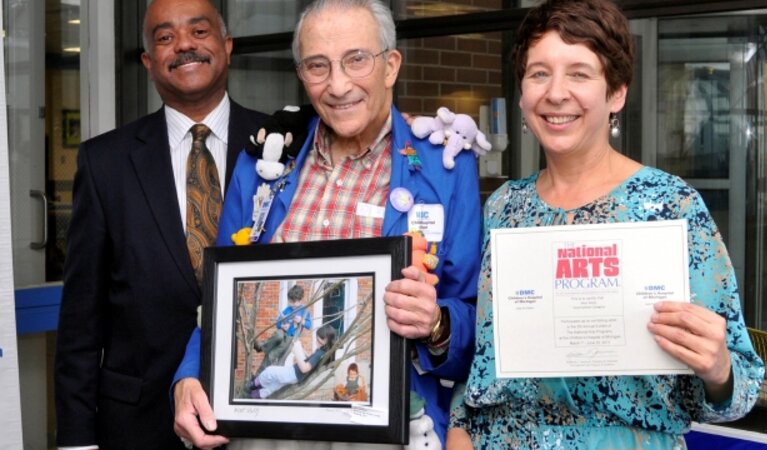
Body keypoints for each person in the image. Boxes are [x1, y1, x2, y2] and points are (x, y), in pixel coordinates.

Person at [446, 1, 765, 449]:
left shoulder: (670, 206)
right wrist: (460, 430)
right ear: (522, 93)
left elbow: (739, 391)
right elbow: (487, 359)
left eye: (579, 73)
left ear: (616, 93)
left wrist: (718, 369)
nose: (555, 93)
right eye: (539, 73)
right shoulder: (504, 208)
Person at [172, 0, 481, 449]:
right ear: (302, 74)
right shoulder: (262, 164)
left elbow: (475, 321)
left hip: (388, 431)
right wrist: (187, 378)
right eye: (318, 66)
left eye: (356, 60)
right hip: (264, 430)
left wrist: (436, 323)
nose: (338, 85)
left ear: (391, 66)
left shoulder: (444, 167)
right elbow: (221, 299)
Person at [52, 0, 270, 448]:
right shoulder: (104, 163)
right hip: (137, 425)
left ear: (226, 46)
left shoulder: (283, 145)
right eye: (165, 37)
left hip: (262, 417)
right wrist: (77, 440)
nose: (184, 45)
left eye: (199, 32)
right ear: (149, 61)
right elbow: (81, 320)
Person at [250, 325, 338, 399]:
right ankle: (255, 396)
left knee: (270, 371)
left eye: (318, 340)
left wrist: (296, 352)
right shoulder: (324, 352)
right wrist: (303, 351)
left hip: (294, 373)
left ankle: (254, 383)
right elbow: (311, 362)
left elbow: (304, 368)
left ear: (326, 340)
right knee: (274, 385)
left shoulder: (320, 353)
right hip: (296, 377)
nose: (316, 342)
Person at [253, 284, 310, 367]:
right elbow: (278, 322)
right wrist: (282, 326)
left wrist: (301, 320)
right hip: (283, 333)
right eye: (290, 302)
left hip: (291, 338)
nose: (292, 304)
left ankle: (263, 354)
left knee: (273, 354)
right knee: (278, 335)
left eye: (295, 302)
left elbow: (309, 325)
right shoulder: (288, 309)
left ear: (300, 300)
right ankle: (261, 347)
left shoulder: (304, 311)